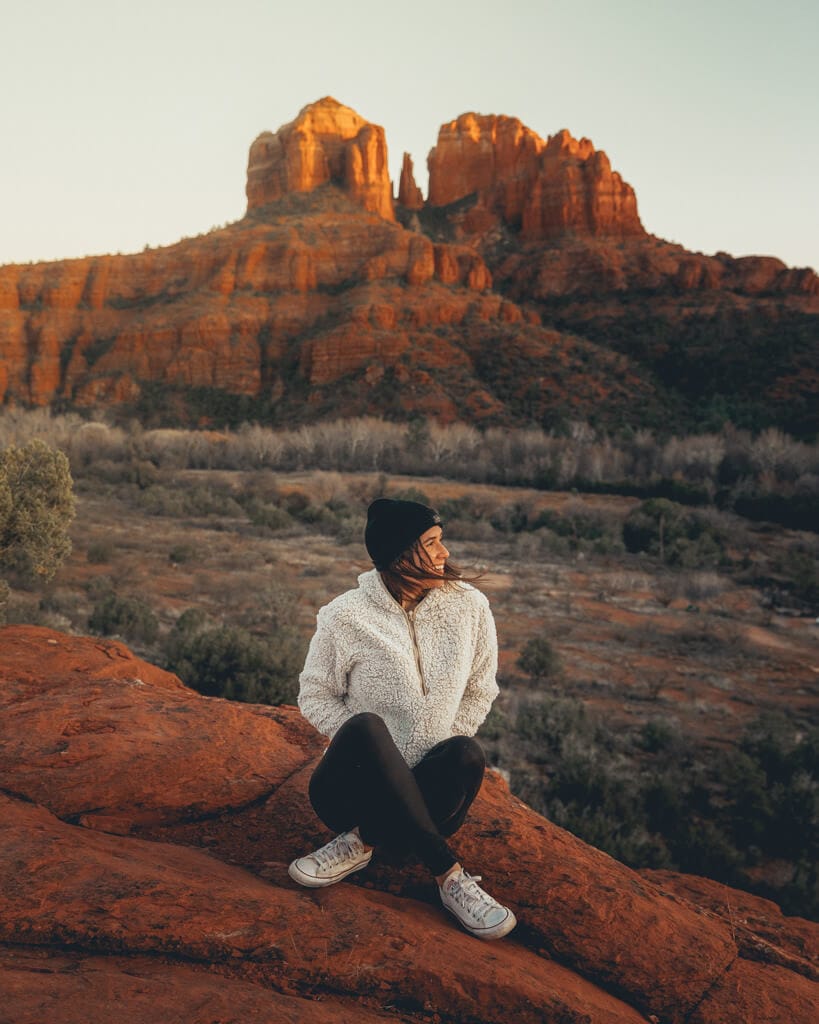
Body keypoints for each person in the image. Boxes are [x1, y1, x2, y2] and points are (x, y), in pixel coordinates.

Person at [288, 497, 516, 941]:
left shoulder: (470, 607)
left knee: (466, 753)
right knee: (367, 727)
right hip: (350, 795)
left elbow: (479, 689)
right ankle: (450, 877)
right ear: (398, 554)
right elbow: (314, 696)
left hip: (432, 799)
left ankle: (363, 842)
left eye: (441, 541)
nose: (445, 553)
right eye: (432, 544)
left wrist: (433, 752)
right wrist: (375, 756)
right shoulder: (344, 616)